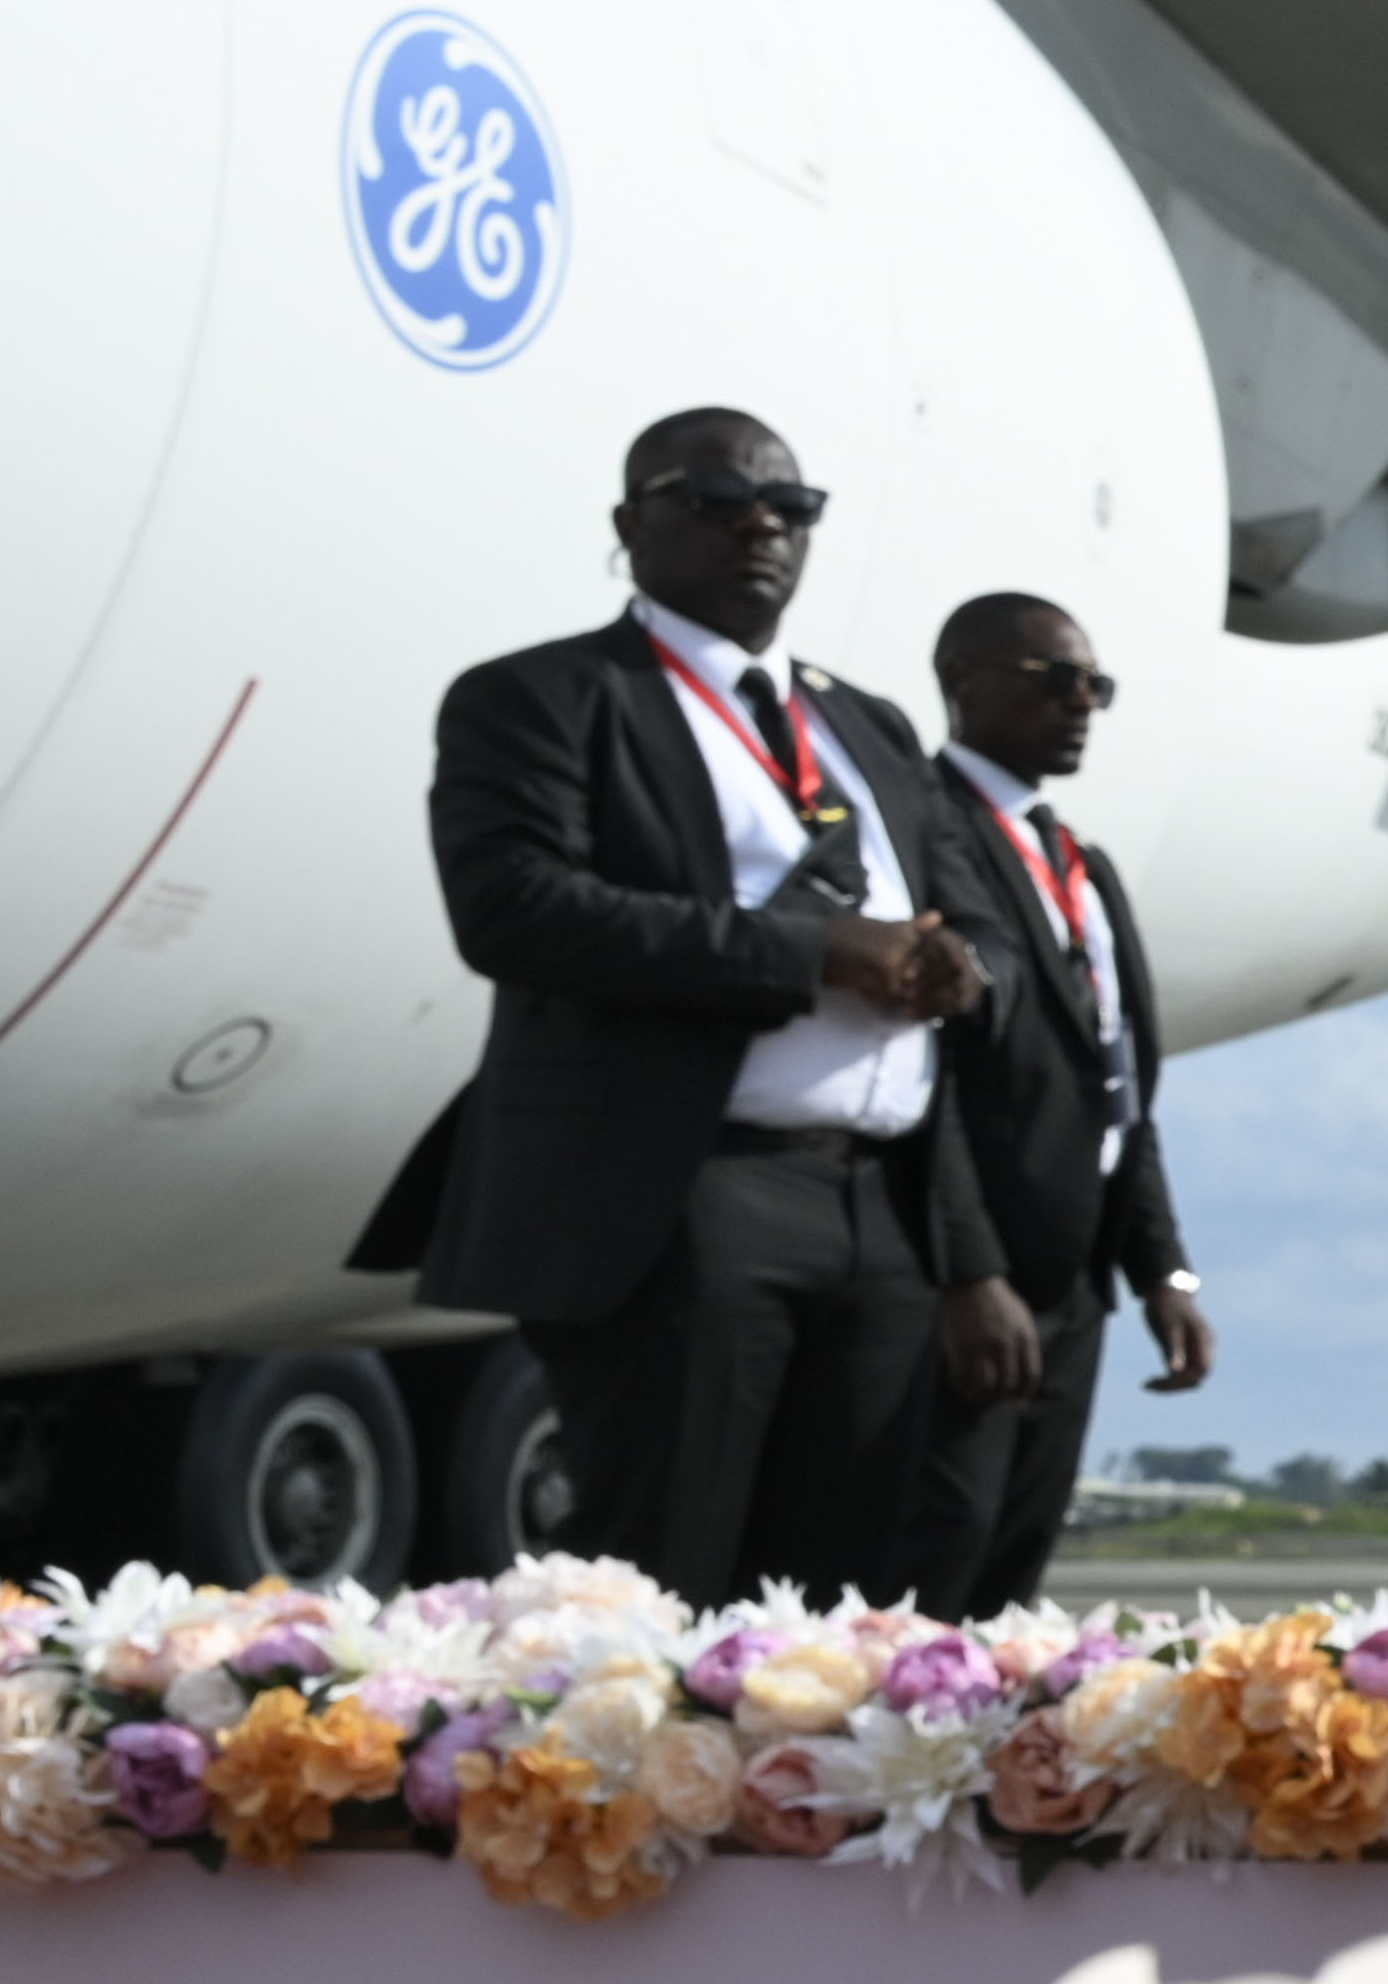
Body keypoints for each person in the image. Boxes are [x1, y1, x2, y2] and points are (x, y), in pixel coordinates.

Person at [384, 409, 1003, 1596]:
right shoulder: (547, 696)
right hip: (687, 1193)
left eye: (790, 505)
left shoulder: (866, 724)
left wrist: (967, 971)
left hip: (882, 1203)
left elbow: (976, 919)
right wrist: (812, 952)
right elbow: (514, 910)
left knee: (848, 1602)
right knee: (667, 1577)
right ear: (631, 524)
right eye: (716, 499)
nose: (760, 524)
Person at [890, 594, 1210, 1609]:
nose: (1081, 704)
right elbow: (927, 1076)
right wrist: (971, 1270)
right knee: (935, 1559)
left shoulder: (1080, 863)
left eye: (1095, 686)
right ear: (962, 683)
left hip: (1076, 1281)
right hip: (970, 1276)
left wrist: (1163, 1269)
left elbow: (1120, 1088)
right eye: (1056, 681)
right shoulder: (923, 830)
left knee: (1013, 1570)